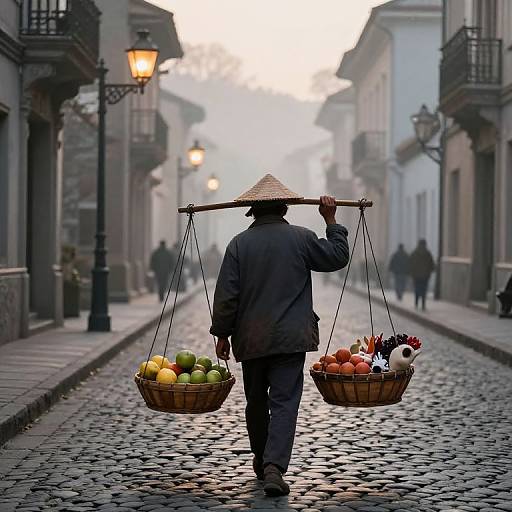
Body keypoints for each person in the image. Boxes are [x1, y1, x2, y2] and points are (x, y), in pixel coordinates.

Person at [210, 180, 349, 497]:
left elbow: (227, 297)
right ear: (285, 208)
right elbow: (337, 257)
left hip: (252, 338)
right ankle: (273, 466)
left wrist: (222, 333)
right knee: (284, 402)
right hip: (290, 338)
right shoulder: (301, 238)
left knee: (256, 402)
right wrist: (331, 220)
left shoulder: (238, 245)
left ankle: (262, 458)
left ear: (252, 212)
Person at [409, 239, 435, 311]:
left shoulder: (414, 253)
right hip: (425, 276)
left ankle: (416, 303)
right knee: (424, 290)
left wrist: (411, 272)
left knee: (417, 289)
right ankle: (423, 304)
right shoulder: (427, 253)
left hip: (416, 276)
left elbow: (410, 263)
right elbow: (431, 264)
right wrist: (431, 270)